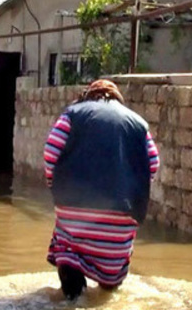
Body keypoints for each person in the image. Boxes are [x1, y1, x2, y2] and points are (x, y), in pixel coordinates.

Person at [43, 79, 160, 300]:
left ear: (89, 95)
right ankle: (110, 281)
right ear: (117, 98)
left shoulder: (73, 114)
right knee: (111, 287)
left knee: (67, 251)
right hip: (120, 219)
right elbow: (153, 164)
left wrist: (56, 188)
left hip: (73, 211)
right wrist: (131, 192)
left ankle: (72, 286)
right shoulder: (138, 123)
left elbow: (51, 152)